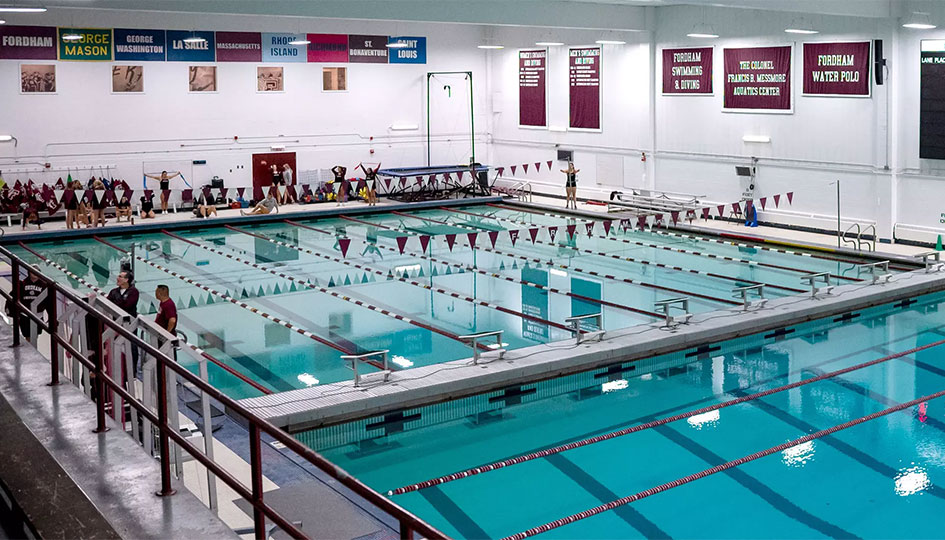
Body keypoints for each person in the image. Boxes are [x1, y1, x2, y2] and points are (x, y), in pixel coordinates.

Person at [107, 270, 140, 375]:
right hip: (116, 323)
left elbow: (126, 306)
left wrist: (116, 303)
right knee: (114, 345)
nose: (118, 278)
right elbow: (108, 304)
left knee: (132, 346)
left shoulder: (134, 292)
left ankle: (132, 370)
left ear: (127, 280)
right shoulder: (113, 291)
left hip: (129, 324)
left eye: (120, 277)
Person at [6, 269, 48, 342]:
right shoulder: (22, 284)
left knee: (35, 336)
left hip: (38, 315)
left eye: (37, 271)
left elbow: (49, 302)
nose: (35, 273)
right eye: (33, 271)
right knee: (28, 336)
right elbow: (12, 297)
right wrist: (11, 311)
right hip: (25, 315)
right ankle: (31, 350)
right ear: (29, 272)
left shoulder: (44, 286)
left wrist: (52, 316)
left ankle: (33, 349)